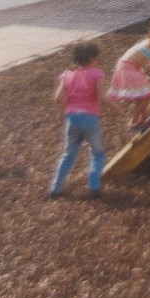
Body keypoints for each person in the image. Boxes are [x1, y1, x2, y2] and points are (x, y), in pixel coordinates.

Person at [48, 40, 107, 199]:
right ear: (93, 58)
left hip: (72, 118)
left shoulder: (67, 75)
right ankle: (94, 185)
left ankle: (56, 187)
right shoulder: (97, 73)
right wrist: (117, 108)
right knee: (97, 152)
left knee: (68, 154)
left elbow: (57, 98)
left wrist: (71, 105)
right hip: (90, 119)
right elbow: (101, 96)